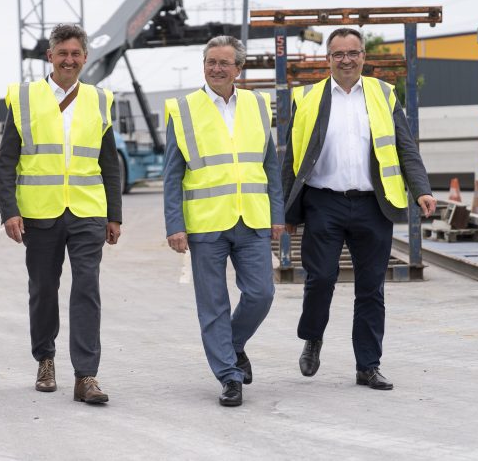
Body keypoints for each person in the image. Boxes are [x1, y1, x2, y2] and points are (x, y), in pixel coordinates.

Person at [282, 27, 437, 390]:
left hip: (372, 204)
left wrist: (422, 190)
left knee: (371, 289)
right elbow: (291, 158)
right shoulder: (306, 97)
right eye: (338, 54)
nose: (346, 60)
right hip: (324, 203)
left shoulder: (383, 95)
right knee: (320, 278)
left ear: (363, 57)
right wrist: (287, 214)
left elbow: (405, 146)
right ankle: (313, 337)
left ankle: (367, 365)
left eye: (353, 53)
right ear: (328, 59)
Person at [0, 24, 122, 405]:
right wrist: (9, 211)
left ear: (85, 58)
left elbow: (109, 163)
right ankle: (45, 360)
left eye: (76, 54)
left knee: (87, 288)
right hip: (39, 212)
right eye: (62, 53)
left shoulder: (101, 100)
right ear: (49, 56)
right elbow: (7, 161)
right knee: (43, 290)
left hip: (87, 211)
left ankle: (86, 375)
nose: (69, 60)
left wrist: (114, 214)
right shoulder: (23, 98)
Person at [163, 35, 284, 407]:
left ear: (238, 68)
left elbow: (270, 166)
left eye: (224, 63)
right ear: (204, 65)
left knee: (261, 294)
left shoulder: (259, 105)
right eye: (210, 62)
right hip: (205, 224)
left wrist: (277, 214)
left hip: (252, 218)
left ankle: (231, 344)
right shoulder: (182, 110)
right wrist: (174, 223)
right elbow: (172, 174)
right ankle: (229, 376)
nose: (216, 68)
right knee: (213, 304)